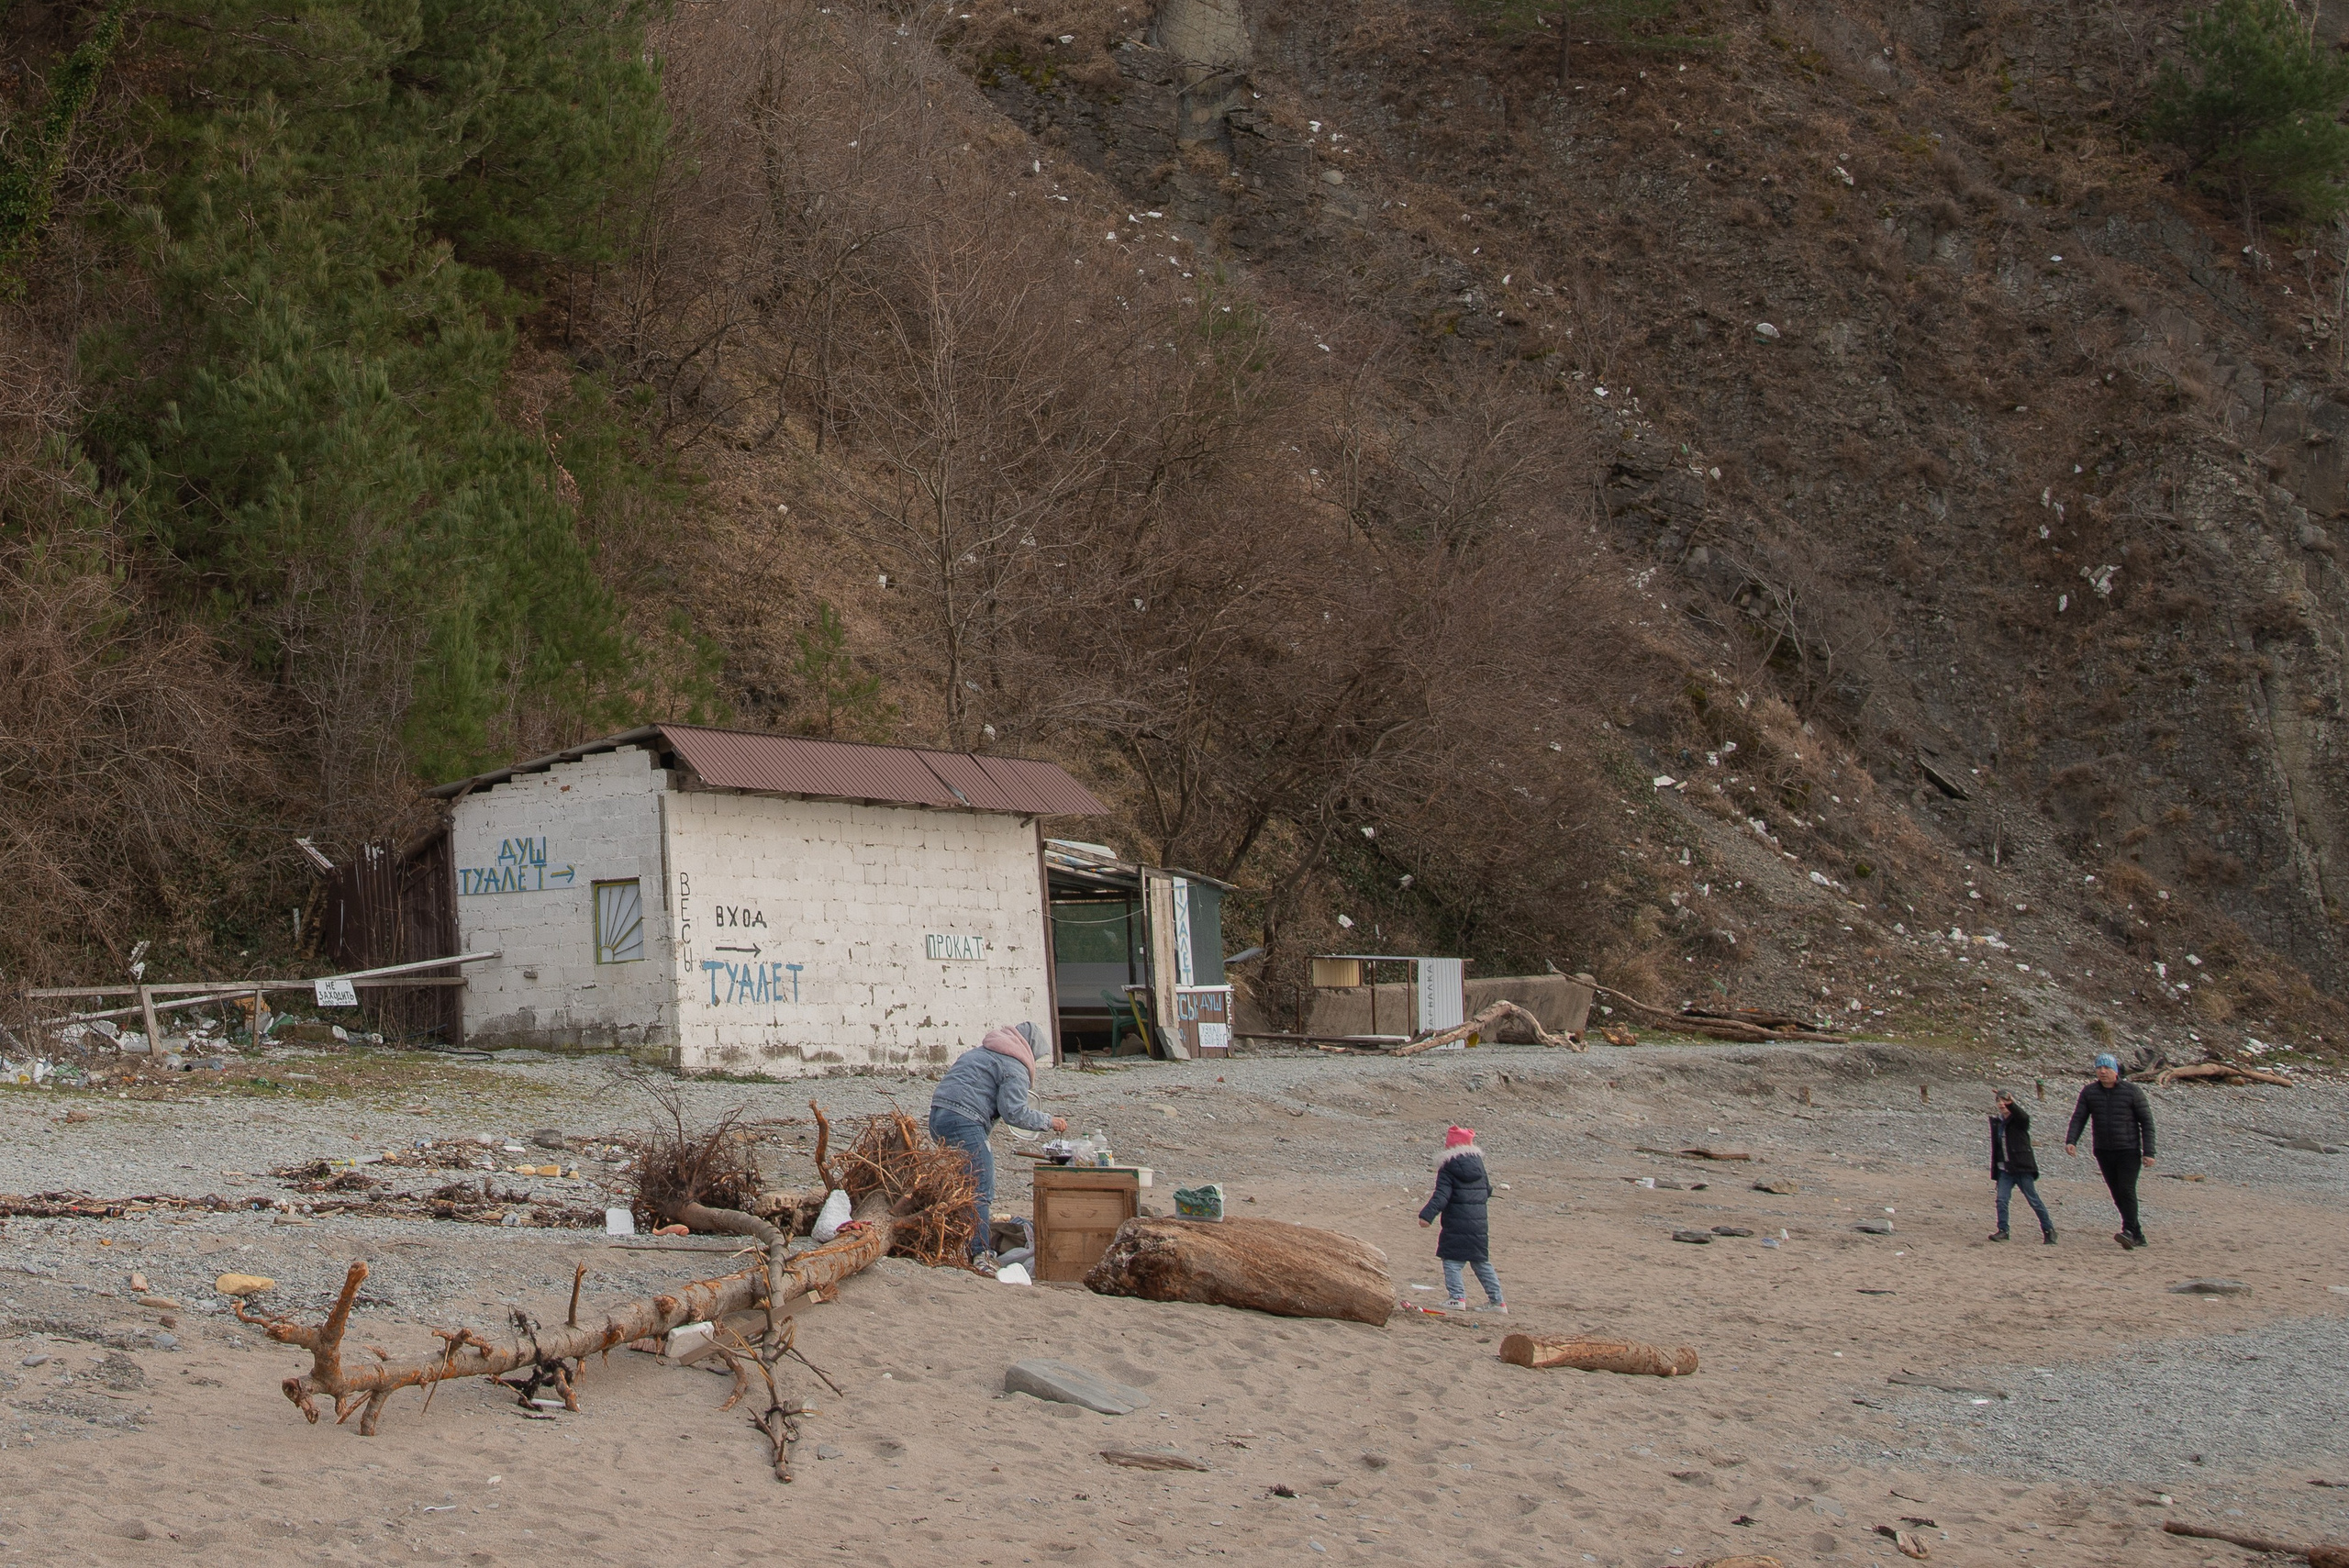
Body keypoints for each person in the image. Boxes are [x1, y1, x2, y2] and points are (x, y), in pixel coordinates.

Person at [929, 1023, 1066, 1273]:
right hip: (963, 1119)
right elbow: (1014, 1112)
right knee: (980, 1187)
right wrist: (1049, 1121)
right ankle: (981, 1254)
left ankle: (950, 1244)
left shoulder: (982, 1052)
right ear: (1030, 1049)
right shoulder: (1015, 1065)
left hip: (938, 1116)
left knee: (960, 1185)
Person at [2065, 1051, 2155, 1250]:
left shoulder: (2132, 1092)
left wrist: (2149, 1152)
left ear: (2116, 1071)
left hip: (2128, 1149)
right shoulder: (2089, 1092)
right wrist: (2072, 1140)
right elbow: (2079, 1117)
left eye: (2106, 1068)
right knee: (2116, 1193)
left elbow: (2147, 1123)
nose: (2102, 1071)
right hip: (2103, 1150)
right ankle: (2137, 1233)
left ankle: (2128, 1231)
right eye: (2099, 1068)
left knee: (2126, 1190)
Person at [1419, 1126, 1505, 1313]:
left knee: (1451, 1260)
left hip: (1456, 1222)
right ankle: (1498, 1302)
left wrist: (1426, 1215)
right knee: (1481, 1262)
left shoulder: (1448, 1167)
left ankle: (1457, 1298)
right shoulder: (1478, 1165)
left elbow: (1441, 1196)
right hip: (1479, 1224)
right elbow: (1488, 1190)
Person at [1987, 1088, 2055, 1244]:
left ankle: (2049, 1230)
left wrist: (2012, 1104)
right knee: (2001, 1200)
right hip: (2005, 1170)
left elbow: (2024, 1117)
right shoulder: (1998, 1122)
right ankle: (2003, 1230)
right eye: (1999, 1101)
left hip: (2022, 1168)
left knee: (2033, 1200)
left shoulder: (2019, 1120)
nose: (2002, 1104)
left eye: (2004, 1101)